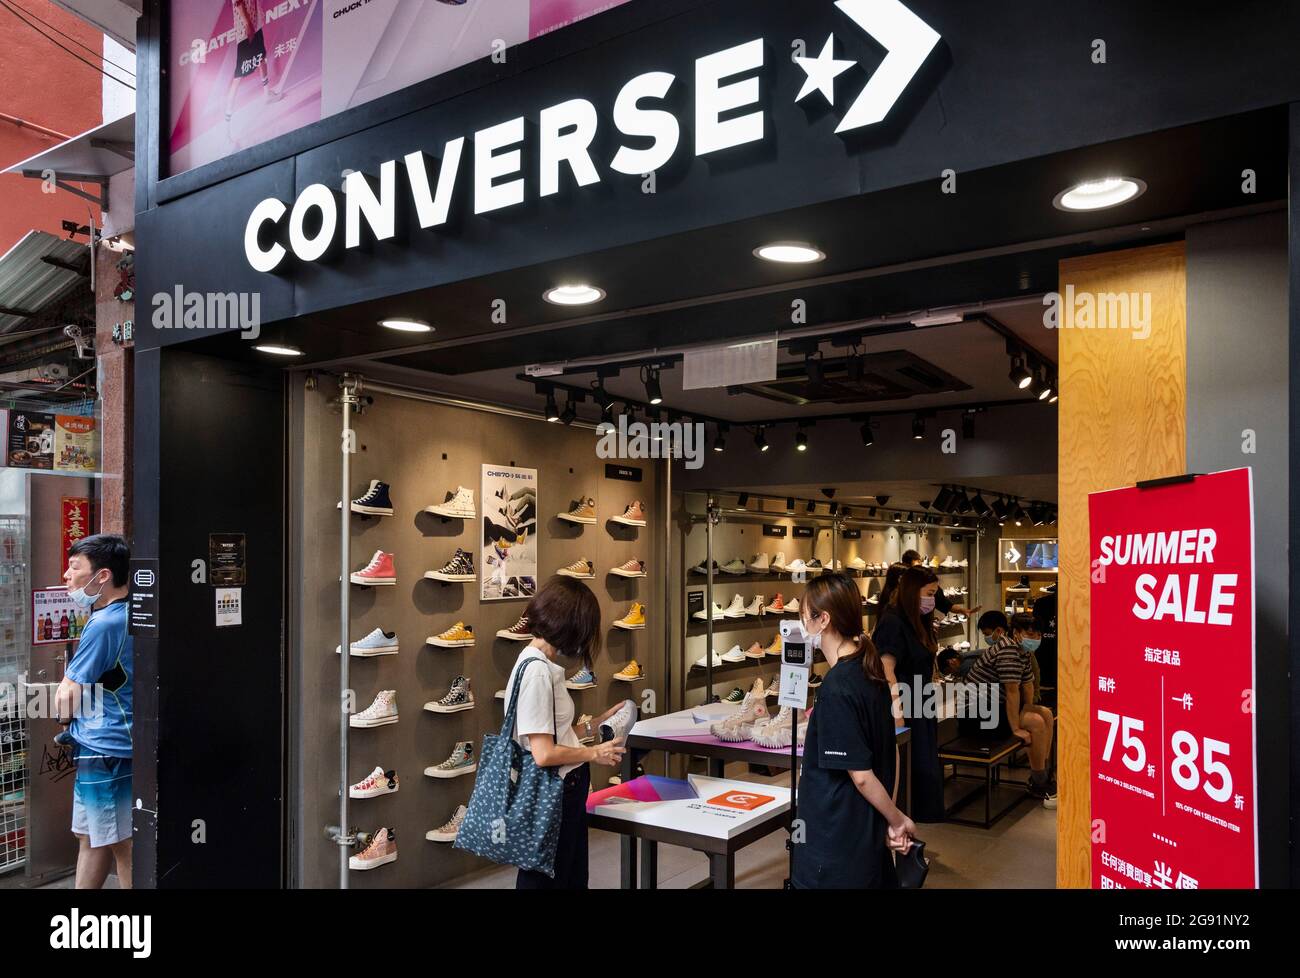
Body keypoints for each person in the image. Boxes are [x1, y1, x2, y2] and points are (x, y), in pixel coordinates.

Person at [793, 574, 915, 887]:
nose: (800, 625)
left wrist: (896, 819)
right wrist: (891, 815)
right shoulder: (869, 669)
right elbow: (891, 751)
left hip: (837, 837)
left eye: (804, 617)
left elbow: (860, 774)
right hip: (864, 835)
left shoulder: (836, 687)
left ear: (823, 620)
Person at [504, 576, 626, 888]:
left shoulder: (533, 663)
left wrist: (592, 724)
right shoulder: (538, 673)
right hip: (556, 791)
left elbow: (545, 733)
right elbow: (544, 754)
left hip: (559, 791)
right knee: (550, 877)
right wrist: (594, 752)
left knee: (563, 875)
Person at [53, 534, 133, 889]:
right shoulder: (128, 613)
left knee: (122, 843)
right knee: (89, 835)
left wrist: (62, 716)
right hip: (103, 743)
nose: (67, 576)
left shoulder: (104, 624)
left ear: (102, 576)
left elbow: (67, 694)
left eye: (74, 567)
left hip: (108, 746)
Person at [959, 613, 1056, 807]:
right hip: (979, 715)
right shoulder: (1008, 651)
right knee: (1036, 722)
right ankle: (1039, 783)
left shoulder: (1022, 651)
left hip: (995, 707)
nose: (1035, 638)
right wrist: (1016, 728)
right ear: (1016, 633)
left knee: (1044, 713)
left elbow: (1027, 684)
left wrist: (1028, 709)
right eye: (1030, 633)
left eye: (1038, 634)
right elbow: (1012, 691)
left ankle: (1043, 773)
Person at [872, 565, 945, 822]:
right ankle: (903, 827)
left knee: (923, 766)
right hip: (906, 702)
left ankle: (911, 826)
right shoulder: (893, 622)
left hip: (921, 700)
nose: (932, 599)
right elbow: (886, 669)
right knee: (913, 768)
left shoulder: (917, 620)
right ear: (913, 592)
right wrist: (897, 712)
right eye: (929, 593)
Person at [901, 549, 980, 618]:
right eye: (917, 566)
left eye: (921, 564)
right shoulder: (900, 589)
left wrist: (963, 610)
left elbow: (945, 603)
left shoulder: (930, 583)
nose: (921, 568)